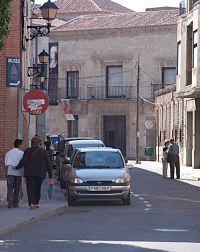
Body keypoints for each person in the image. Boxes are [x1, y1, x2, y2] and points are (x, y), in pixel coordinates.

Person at [16, 136, 53, 209]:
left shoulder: (27, 151)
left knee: (30, 188)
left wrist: (17, 167)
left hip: (29, 173)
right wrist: (50, 176)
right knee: (37, 188)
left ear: (32, 143)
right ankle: (36, 202)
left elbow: (23, 161)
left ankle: (31, 203)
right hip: (40, 174)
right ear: (39, 143)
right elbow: (49, 164)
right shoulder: (44, 152)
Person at [5, 139, 24, 208]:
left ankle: (10, 202)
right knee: (17, 188)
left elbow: (6, 163)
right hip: (18, 173)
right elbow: (23, 163)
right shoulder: (22, 153)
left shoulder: (9, 152)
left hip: (10, 172)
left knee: (10, 187)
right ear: (19, 145)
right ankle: (15, 203)